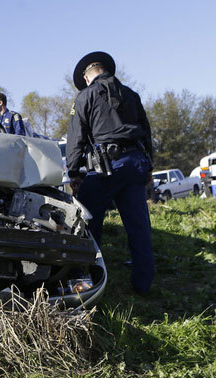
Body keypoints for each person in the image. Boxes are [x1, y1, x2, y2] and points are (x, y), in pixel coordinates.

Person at [65, 51, 155, 294]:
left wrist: (73, 172)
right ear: (106, 70)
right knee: (138, 226)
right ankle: (143, 285)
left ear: (86, 77)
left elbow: (76, 137)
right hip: (136, 163)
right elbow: (146, 132)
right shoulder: (131, 94)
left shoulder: (85, 96)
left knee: (85, 222)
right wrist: (150, 166)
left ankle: (85, 280)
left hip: (106, 167)